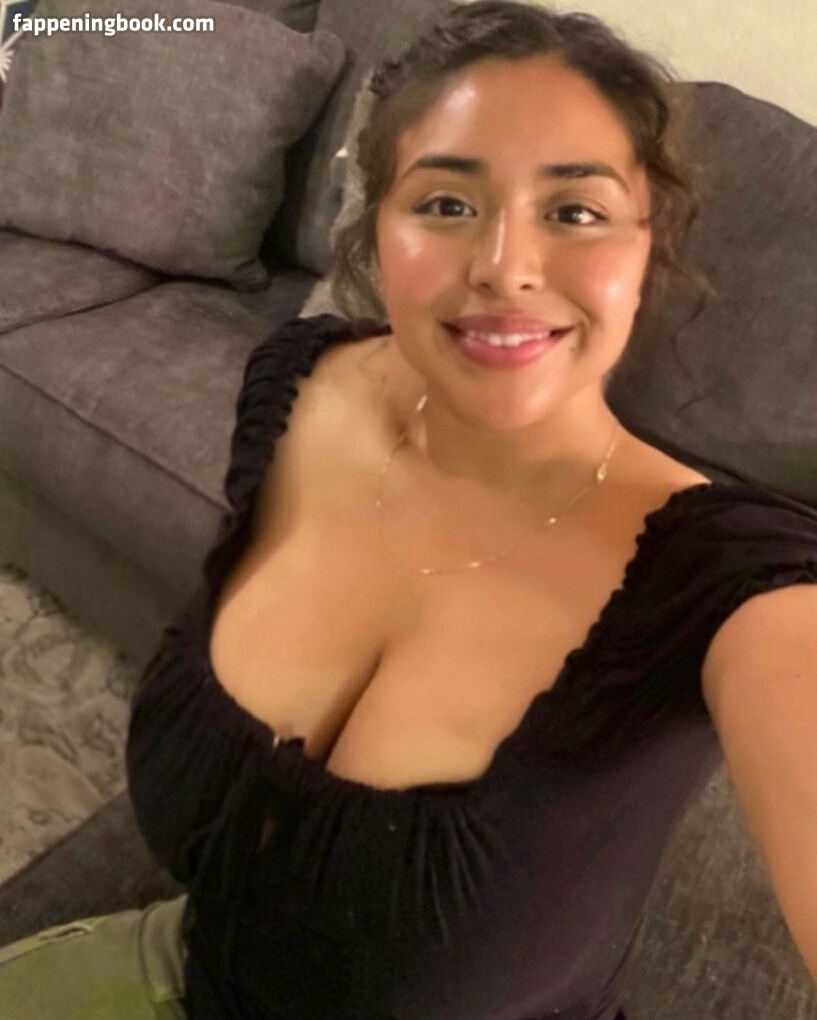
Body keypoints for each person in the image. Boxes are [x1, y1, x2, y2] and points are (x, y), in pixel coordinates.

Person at [1, 2, 816, 1018]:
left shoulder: (730, 578)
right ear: (376, 225)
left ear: (648, 246)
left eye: (574, 211)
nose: (505, 267)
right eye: (445, 202)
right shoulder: (298, 385)